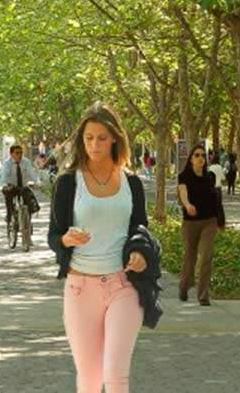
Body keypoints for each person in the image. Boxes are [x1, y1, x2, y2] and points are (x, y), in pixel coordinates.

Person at [47, 103, 161, 393]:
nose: (94, 144)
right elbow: (53, 236)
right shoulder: (67, 183)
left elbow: (140, 226)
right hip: (80, 287)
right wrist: (66, 240)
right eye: (88, 138)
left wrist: (139, 253)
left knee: (115, 374)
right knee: (89, 377)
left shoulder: (131, 182)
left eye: (100, 137)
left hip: (123, 284)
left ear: (114, 139)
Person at [178, 144, 225, 306]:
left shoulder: (210, 176)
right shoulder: (184, 176)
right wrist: (187, 205)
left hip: (209, 221)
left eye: (203, 156)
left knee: (206, 256)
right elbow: (182, 192)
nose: (200, 158)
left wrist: (221, 219)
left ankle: (203, 295)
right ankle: (184, 285)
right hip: (190, 222)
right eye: (197, 155)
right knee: (190, 257)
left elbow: (216, 197)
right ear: (191, 159)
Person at [0, 144, 39, 224]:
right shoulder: (7, 164)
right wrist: (5, 186)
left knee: (30, 200)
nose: (19, 155)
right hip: (11, 187)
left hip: (23, 187)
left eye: (21, 153)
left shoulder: (26, 162)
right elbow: (4, 177)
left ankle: (27, 220)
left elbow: (32, 173)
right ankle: (10, 215)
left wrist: (37, 182)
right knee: (9, 197)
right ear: (11, 154)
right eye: (17, 153)